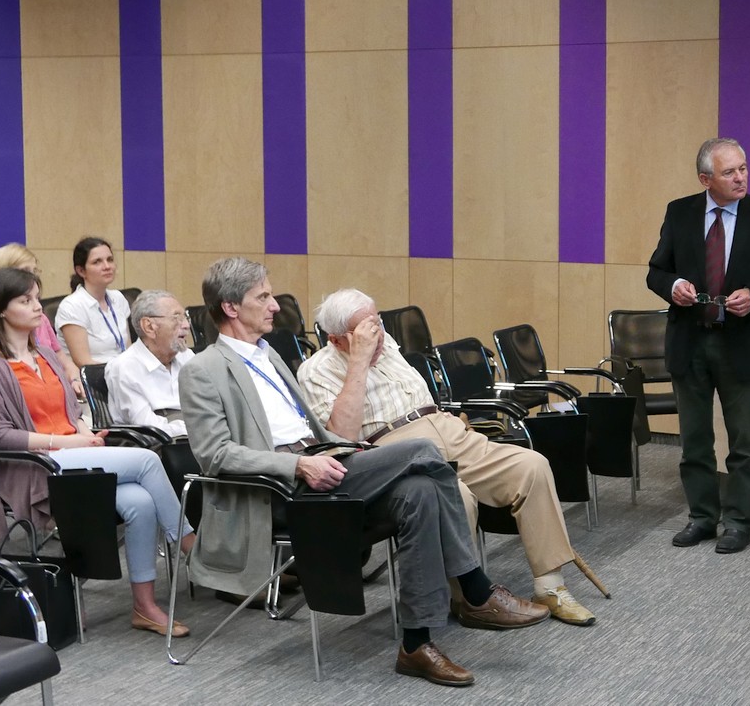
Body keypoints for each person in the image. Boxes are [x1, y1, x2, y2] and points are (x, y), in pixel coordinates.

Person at [178, 257, 549, 687]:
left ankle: (415, 644)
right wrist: (298, 464)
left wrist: (329, 452)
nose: (275, 306)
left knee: (420, 492)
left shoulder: (268, 355)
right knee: (424, 450)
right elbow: (215, 455)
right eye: (263, 297)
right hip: (282, 489)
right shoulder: (202, 370)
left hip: (326, 462)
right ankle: (477, 588)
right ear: (230, 307)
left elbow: (314, 430)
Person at [296, 288, 596, 626]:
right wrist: (359, 361)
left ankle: (550, 587)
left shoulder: (387, 342)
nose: (376, 335)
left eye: (377, 323)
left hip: (446, 429)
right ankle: (467, 598)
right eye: (364, 330)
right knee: (458, 498)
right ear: (336, 339)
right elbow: (342, 437)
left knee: (532, 466)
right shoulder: (315, 371)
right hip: (396, 447)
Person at [0, 267, 196, 636]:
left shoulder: (45, 354)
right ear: (1, 310)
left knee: (140, 503)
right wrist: (68, 442)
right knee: (147, 459)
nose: (38, 306)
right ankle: (193, 550)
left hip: (69, 454)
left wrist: (86, 433)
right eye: (25, 300)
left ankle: (144, 606)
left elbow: (71, 413)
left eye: (37, 298)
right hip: (34, 465)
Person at [647, 137, 750, 554]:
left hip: (742, 345)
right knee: (695, 442)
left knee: (744, 445)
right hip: (690, 342)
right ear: (705, 179)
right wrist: (673, 286)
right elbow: (656, 271)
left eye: (743, 169)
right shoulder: (680, 213)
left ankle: (738, 523)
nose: (740, 178)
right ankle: (701, 518)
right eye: (729, 172)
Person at [0, 243, 83, 399]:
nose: (32, 278)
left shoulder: (41, 319)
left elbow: (62, 359)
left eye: (35, 271)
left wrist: (74, 379)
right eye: (25, 271)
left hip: (53, 391)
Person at [105, 290, 194, 438]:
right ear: (149, 327)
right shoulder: (124, 367)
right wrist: (196, 427)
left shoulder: (187, 357)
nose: (185, 325)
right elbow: (149, 428)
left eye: (185, 317)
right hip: (160, 445)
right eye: (176, 318)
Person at [55, 236, 130, 366]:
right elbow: (83, 362)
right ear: (81, 271)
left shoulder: (118, 298)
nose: (107, 266)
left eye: (110, 260)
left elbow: (128, 349)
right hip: (94, 375)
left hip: (123, 372)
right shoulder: (72, 306)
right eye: (97, 262)